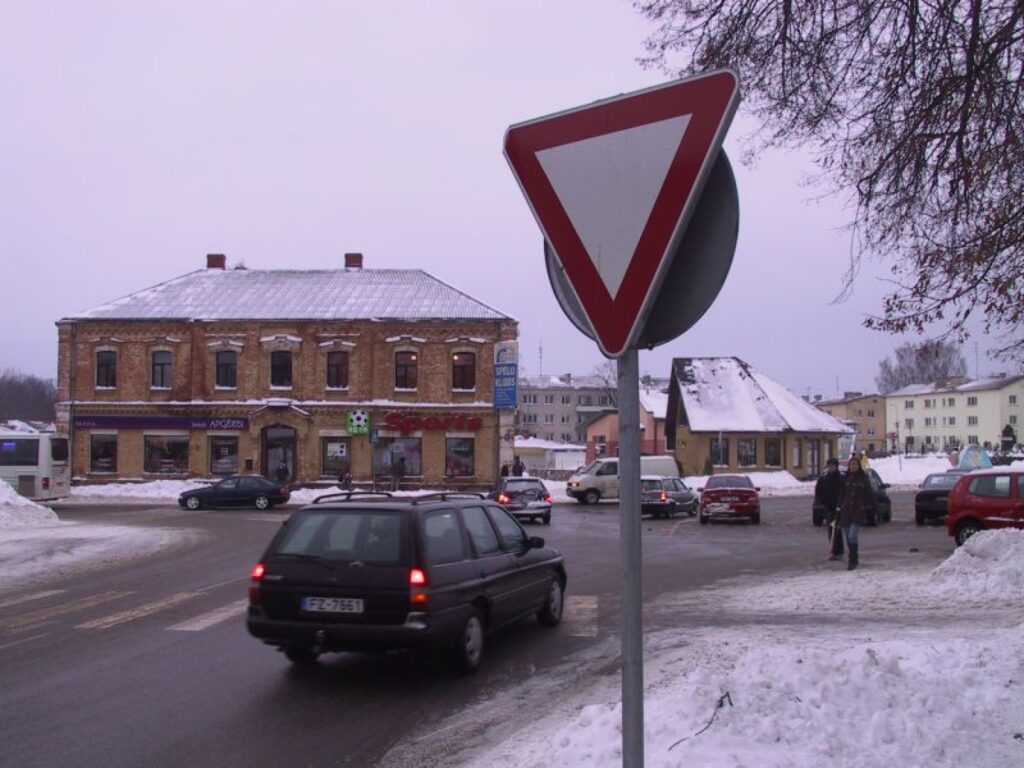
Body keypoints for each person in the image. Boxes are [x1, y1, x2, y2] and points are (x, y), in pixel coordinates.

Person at [836, 456, 876, 570]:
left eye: (855, 465)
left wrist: (870, 508)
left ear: (858, 466)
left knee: (852, 535)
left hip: (858, 511)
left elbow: (869, 495)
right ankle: (853, 556)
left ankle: (853, 560)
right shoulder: (846, 479)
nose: (853, 466)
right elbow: (841, 495)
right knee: (848, 537)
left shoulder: (863, 479)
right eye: (851, 465)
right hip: (846, 511)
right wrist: (838, 508)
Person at [815, 457, 845, 560]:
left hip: (839, 508)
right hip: (829, 508)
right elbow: (819, 491)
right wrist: (822, 501)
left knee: (837, 529)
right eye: (829, 466)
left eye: (833, 466)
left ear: (836, 467)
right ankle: (833, 550)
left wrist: (840, 505)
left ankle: (839, 551)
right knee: (830, 529)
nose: (831, 468)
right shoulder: (824, 479)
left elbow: (843, 493)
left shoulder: (840, 479)